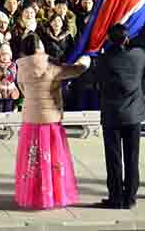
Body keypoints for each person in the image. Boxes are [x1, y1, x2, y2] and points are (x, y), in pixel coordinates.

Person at [14, 33, 90, 210]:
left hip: (30, 118)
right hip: (50, 119)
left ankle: (33, 194)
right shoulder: (51, 65)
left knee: (32, 160)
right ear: (39, 46)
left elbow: (23, 89)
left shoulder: (21, 67)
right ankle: (51, 195)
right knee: (53, 159)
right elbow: (75, 71)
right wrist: (85, 60)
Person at [95, 24, 145, 209]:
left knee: (114, 158)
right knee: (132, 158)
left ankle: (116, 197)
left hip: (112, 114)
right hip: (133, 115)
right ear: (126, 38)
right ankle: (130, 197)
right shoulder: (138, 56)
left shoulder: (103, 60)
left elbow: (97, 80)